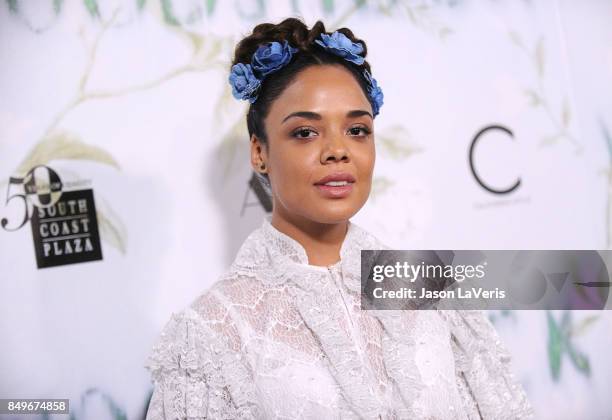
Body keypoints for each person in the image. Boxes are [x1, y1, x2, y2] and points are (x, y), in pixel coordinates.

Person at [144, 17, 534, 419]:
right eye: (305, 133)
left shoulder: (431, 287)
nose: (337, 151)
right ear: (259, 152)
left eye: (357, 130)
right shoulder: (211, 331)